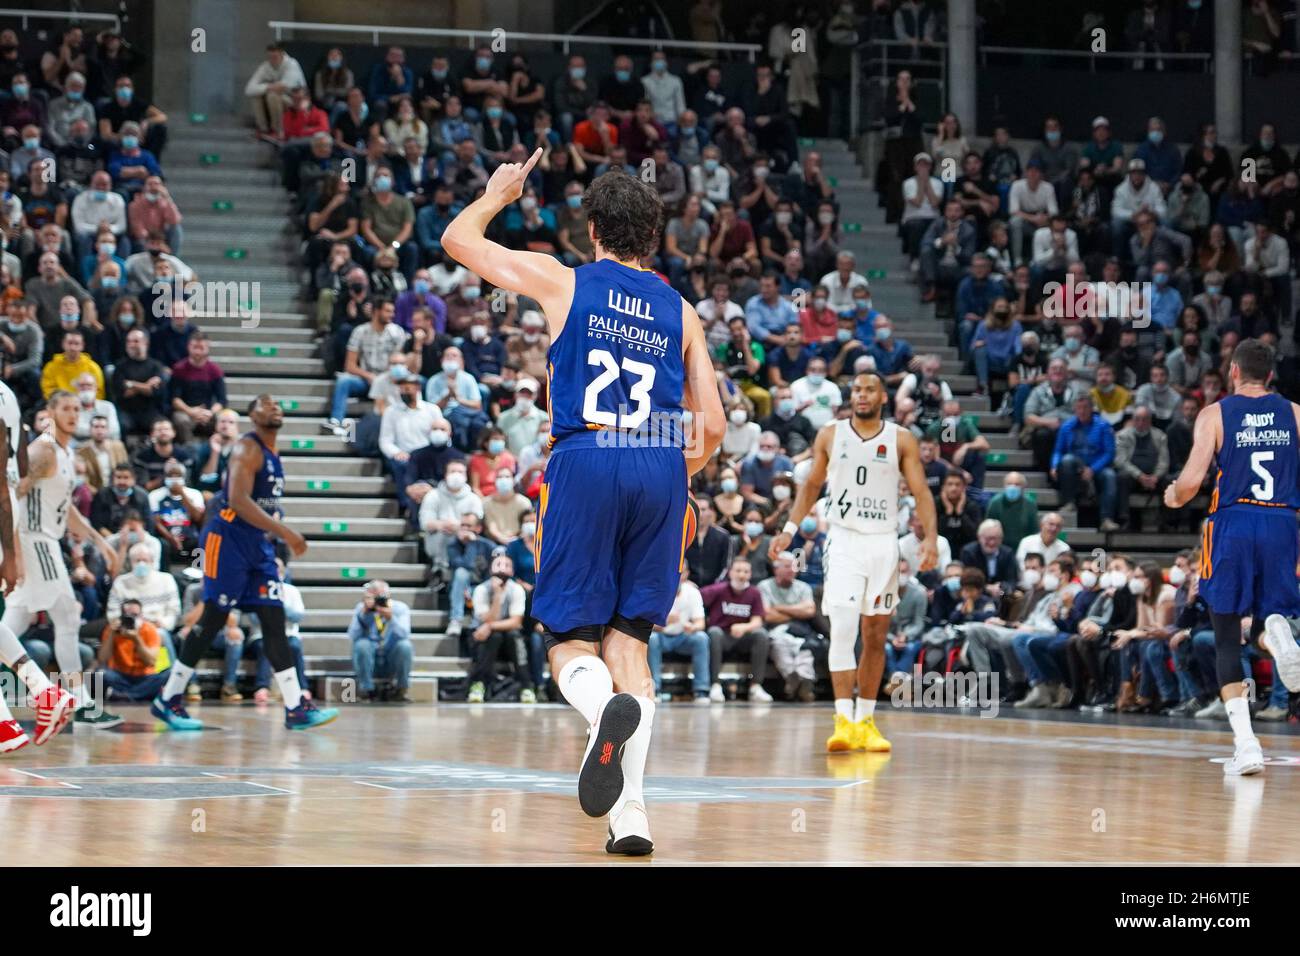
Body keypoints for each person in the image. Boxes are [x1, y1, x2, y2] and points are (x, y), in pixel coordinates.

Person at [441, 152, 724, 856]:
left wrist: (497, 194)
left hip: (586, 456)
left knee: (570, 639)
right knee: (631, 640)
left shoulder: (563, 280)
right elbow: (714, 426)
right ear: (652, 239)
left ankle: (602, 714)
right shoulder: (681, 310)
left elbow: (457, 241)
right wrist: (666, 465)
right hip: (661, 462)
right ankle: (632, 819)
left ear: (592, 228)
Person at [770, 372, 938, 753]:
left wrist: (930, 538)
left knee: (876, 635)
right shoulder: (830, 433)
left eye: (869, 390)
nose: (861, 395)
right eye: (857, 390)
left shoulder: (901, 438)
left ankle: (866, 719)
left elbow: (922, 491)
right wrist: (790, 528)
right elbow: (812, 484)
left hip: (883, 542)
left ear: (883, 397)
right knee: (843, 628)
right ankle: (843, 719)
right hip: (844, 540)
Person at [150, 395, 338, 731]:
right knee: (213, 618)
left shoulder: (273, 452)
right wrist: (284, 531)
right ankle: (170, 697)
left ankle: (296, 706)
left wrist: (273, 524)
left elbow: (261, 501)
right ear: (252, 416)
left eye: (279, 404)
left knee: (274, 618)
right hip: (226, 540)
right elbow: (237, 500)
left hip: (256, 544)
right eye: (266, 404)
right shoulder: (246, 449)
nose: (275, 407)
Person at [1167, 339, 1300, 776]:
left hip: (1233, 523)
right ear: (1272, 376)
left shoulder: (1216, 414)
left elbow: (1189, 484)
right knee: (1270, 614)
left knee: (1225, 634)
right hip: (1282, 520)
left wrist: (1172, 495)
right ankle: (1276, 632)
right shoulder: (1296, 414)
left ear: (1234, 372)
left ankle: (1247, 746)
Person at [0, 389, 110, 736]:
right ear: (50, 412)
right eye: (66, 408)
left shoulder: (65, 452)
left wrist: (100, 540)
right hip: (33, 540)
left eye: (78, 409)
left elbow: (68, 509)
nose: (73, 414)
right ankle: (76, 700)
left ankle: (55, 696)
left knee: (15, 620)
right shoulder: (43, 449)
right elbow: (12, 489)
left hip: (43, 539)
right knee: (67, 612)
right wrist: (12, 544)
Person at [348, 579, 414, 703]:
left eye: (381, 596)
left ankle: (401, 689)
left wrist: (391, 618)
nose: (379, 601)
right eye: (375, 597)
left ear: (388, 595)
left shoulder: (400, 608)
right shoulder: (361, 609)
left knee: (405, 646)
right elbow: (352, 635)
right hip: (370, 657)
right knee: (362, 644)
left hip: (391, 656)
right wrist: (363, 615)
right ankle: (367, 690)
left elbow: (405, 634)